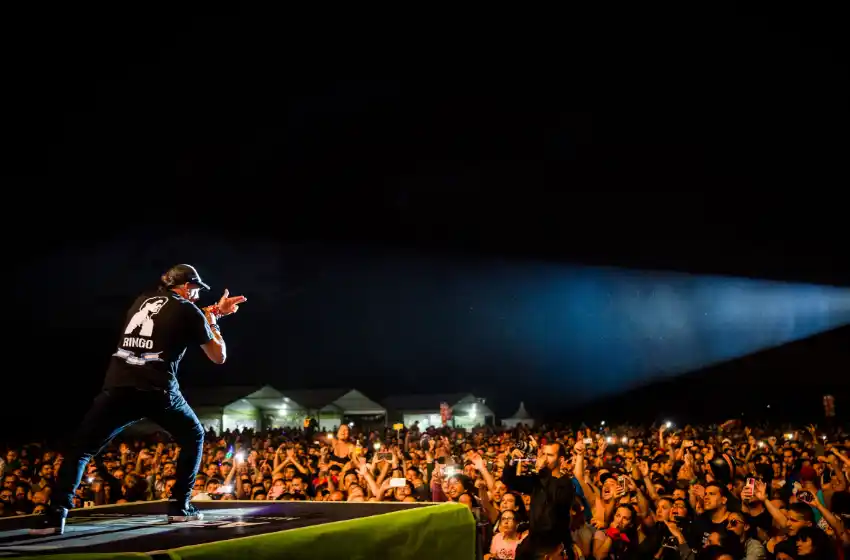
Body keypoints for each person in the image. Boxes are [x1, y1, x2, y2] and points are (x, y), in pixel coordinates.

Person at [32, 264, 247, 535]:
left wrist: (213, 311)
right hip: (158, 390)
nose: (196, 295)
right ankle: (180, 508)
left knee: (81, 449)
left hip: (118, 387)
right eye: (195, 289)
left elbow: (182, 318)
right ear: (186, 286)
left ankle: (54, 517)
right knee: (193, 435)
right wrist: (215, 320)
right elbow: (218, 356)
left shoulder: (142, 299)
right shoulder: (187, 308)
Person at [503, 440, 576, 559]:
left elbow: (554, 499)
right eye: (543, 454)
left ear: (561, 459)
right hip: (533, 542)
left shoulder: (566, 483)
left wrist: (542, 471)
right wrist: (512, 461)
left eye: (550, 455)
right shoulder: (538, 480)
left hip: (553, 545)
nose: (545, 459)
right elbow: (511, 482)